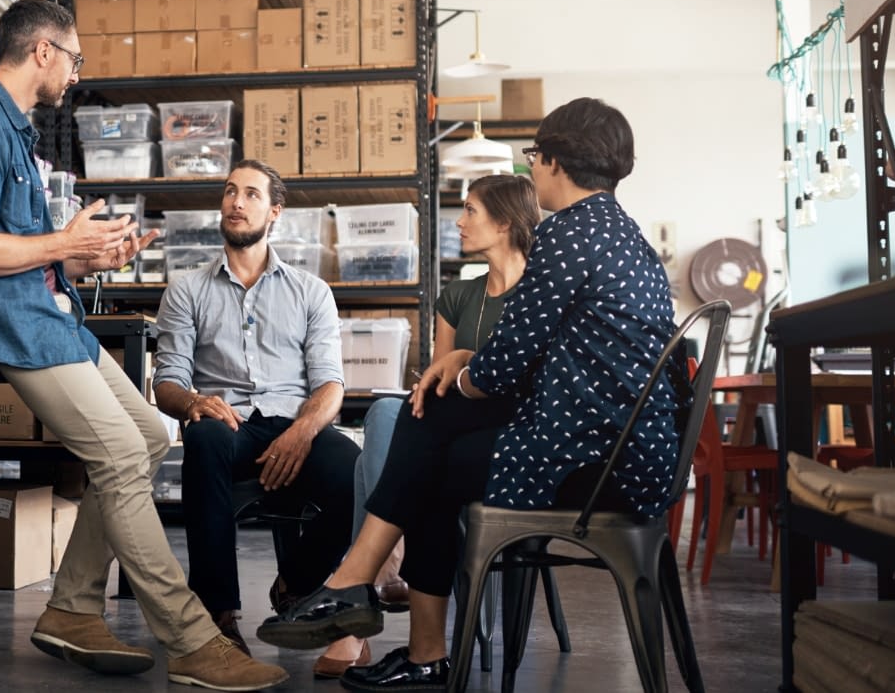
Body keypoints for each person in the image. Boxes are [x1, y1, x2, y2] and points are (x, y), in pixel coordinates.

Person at [0, 0, 288, 691]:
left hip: (45, 315)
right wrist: (64, 242)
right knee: (118, 452)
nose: (77, 76)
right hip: (8, 324)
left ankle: (72, 609)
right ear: (44, 52)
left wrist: (87, 259)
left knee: (146, 436)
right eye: (76, 59)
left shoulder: (13, 131)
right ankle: (192, 639)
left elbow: (18, 251)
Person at [256, 98, 678, 692]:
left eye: (535, 157)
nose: (533, 169)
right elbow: (532, 359)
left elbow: (503, 369)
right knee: (434, 442)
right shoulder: (622, 233)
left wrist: (456, 371)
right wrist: (463, 365)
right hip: (627, 452)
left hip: (596, 464)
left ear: (554, 161)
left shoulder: (568, 233)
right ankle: (391, 617)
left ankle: (362, 588)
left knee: (429, 420)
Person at [152, 159, 363, 675]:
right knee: (202, 440)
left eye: (250, 194)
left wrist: (302, 432)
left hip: (297, 422)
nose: (235, 202)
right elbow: (167, 381)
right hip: (228, 425)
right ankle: (218, 617)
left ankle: (295, 581)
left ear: (275, 212)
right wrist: (192, 403)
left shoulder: (311, 291)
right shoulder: (187, 289)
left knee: (357, 472)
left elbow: (331, 384)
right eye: (229, 192)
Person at [343, 173, 543, 654]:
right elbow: (436, 389)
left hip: (505, 439)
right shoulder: (458, 295)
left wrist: (466, 364)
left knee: (371, 465)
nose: (459, 222)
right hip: (450, 427)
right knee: (386, 415)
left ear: (506, 222)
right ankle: (377, 573)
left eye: (471, 210)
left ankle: (367, 583)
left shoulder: (541, 293)